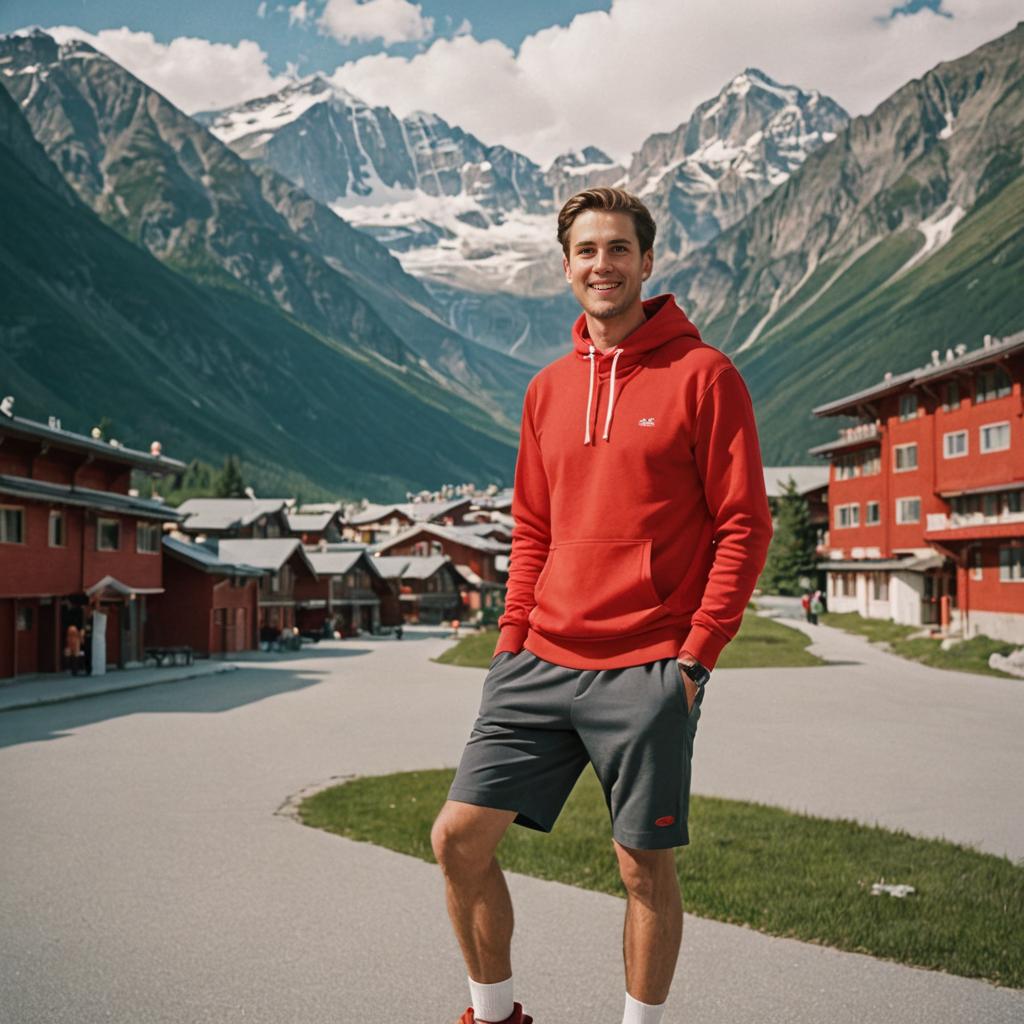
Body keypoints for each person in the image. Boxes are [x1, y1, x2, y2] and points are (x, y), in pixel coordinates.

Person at [431, 187, 774, 1024]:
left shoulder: (705, 375)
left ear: (648, 263)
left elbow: (744, 524)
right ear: (566, 268)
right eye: (587, 251)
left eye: (619, 248)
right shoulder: (547, 389)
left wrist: (694, 659)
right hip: (538, 660)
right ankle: (496, 1013)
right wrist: (511, 641)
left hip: (650, 666)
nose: (603, 265)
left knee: (640, 868)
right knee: (457, 840)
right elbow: (533, 527)